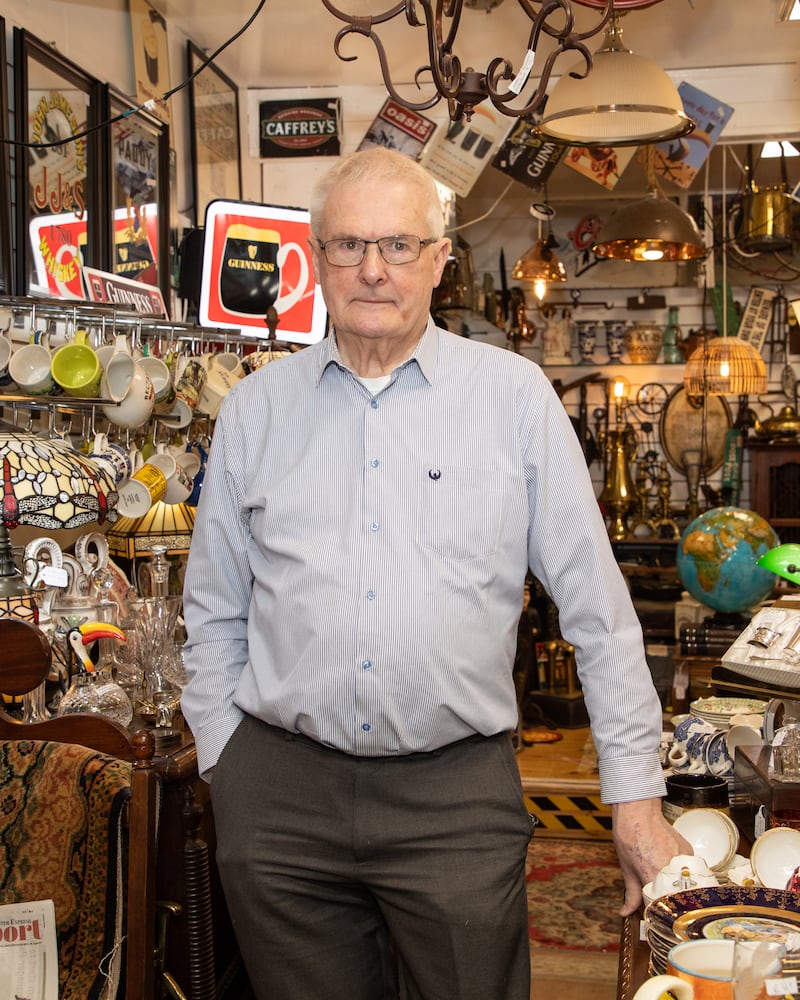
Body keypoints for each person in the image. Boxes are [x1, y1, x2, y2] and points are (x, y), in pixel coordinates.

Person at [181, 146, 689, 1000]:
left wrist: (634, 799)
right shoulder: (255, 411)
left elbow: (599, 612)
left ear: (439, 259)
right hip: (279, 797)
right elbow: (215, 607)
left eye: (398, 245)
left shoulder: (515, 401)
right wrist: (226, 766)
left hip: (455, 798)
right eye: (348, 246)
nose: (372, 269)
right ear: (317, 257)